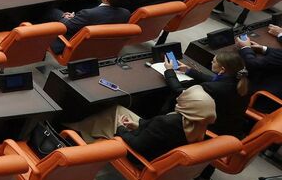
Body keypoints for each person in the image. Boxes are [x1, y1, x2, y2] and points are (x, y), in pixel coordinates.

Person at [67, 85, 215, 163]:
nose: (180, 96)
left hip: (136, 155)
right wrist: (137, 125)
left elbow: (137, 145)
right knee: (118, 109)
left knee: (112, 118)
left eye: (186, 97)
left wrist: (121, 128)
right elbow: (157, 133)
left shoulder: (166, 122)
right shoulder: (199, 124)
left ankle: (78, 135)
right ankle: (85, 130)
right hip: (154, 147)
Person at [166, 51, 249, 138]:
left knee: (171, 100)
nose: (211, 62)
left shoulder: (212, 88)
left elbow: (180, 92)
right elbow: (213, 79)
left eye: (214, 61)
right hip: (232, 127)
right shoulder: (242, 83)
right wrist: (188, 71)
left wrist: (169, 71)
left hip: (213, 129)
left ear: (222, 69)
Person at [48, 0, 131, 53]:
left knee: (52, 12)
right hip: (102, 46)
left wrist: (66, 17)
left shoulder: (88, 14)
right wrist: (77, 18)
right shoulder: (126, 13)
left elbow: (66, 27)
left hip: (72, 46)